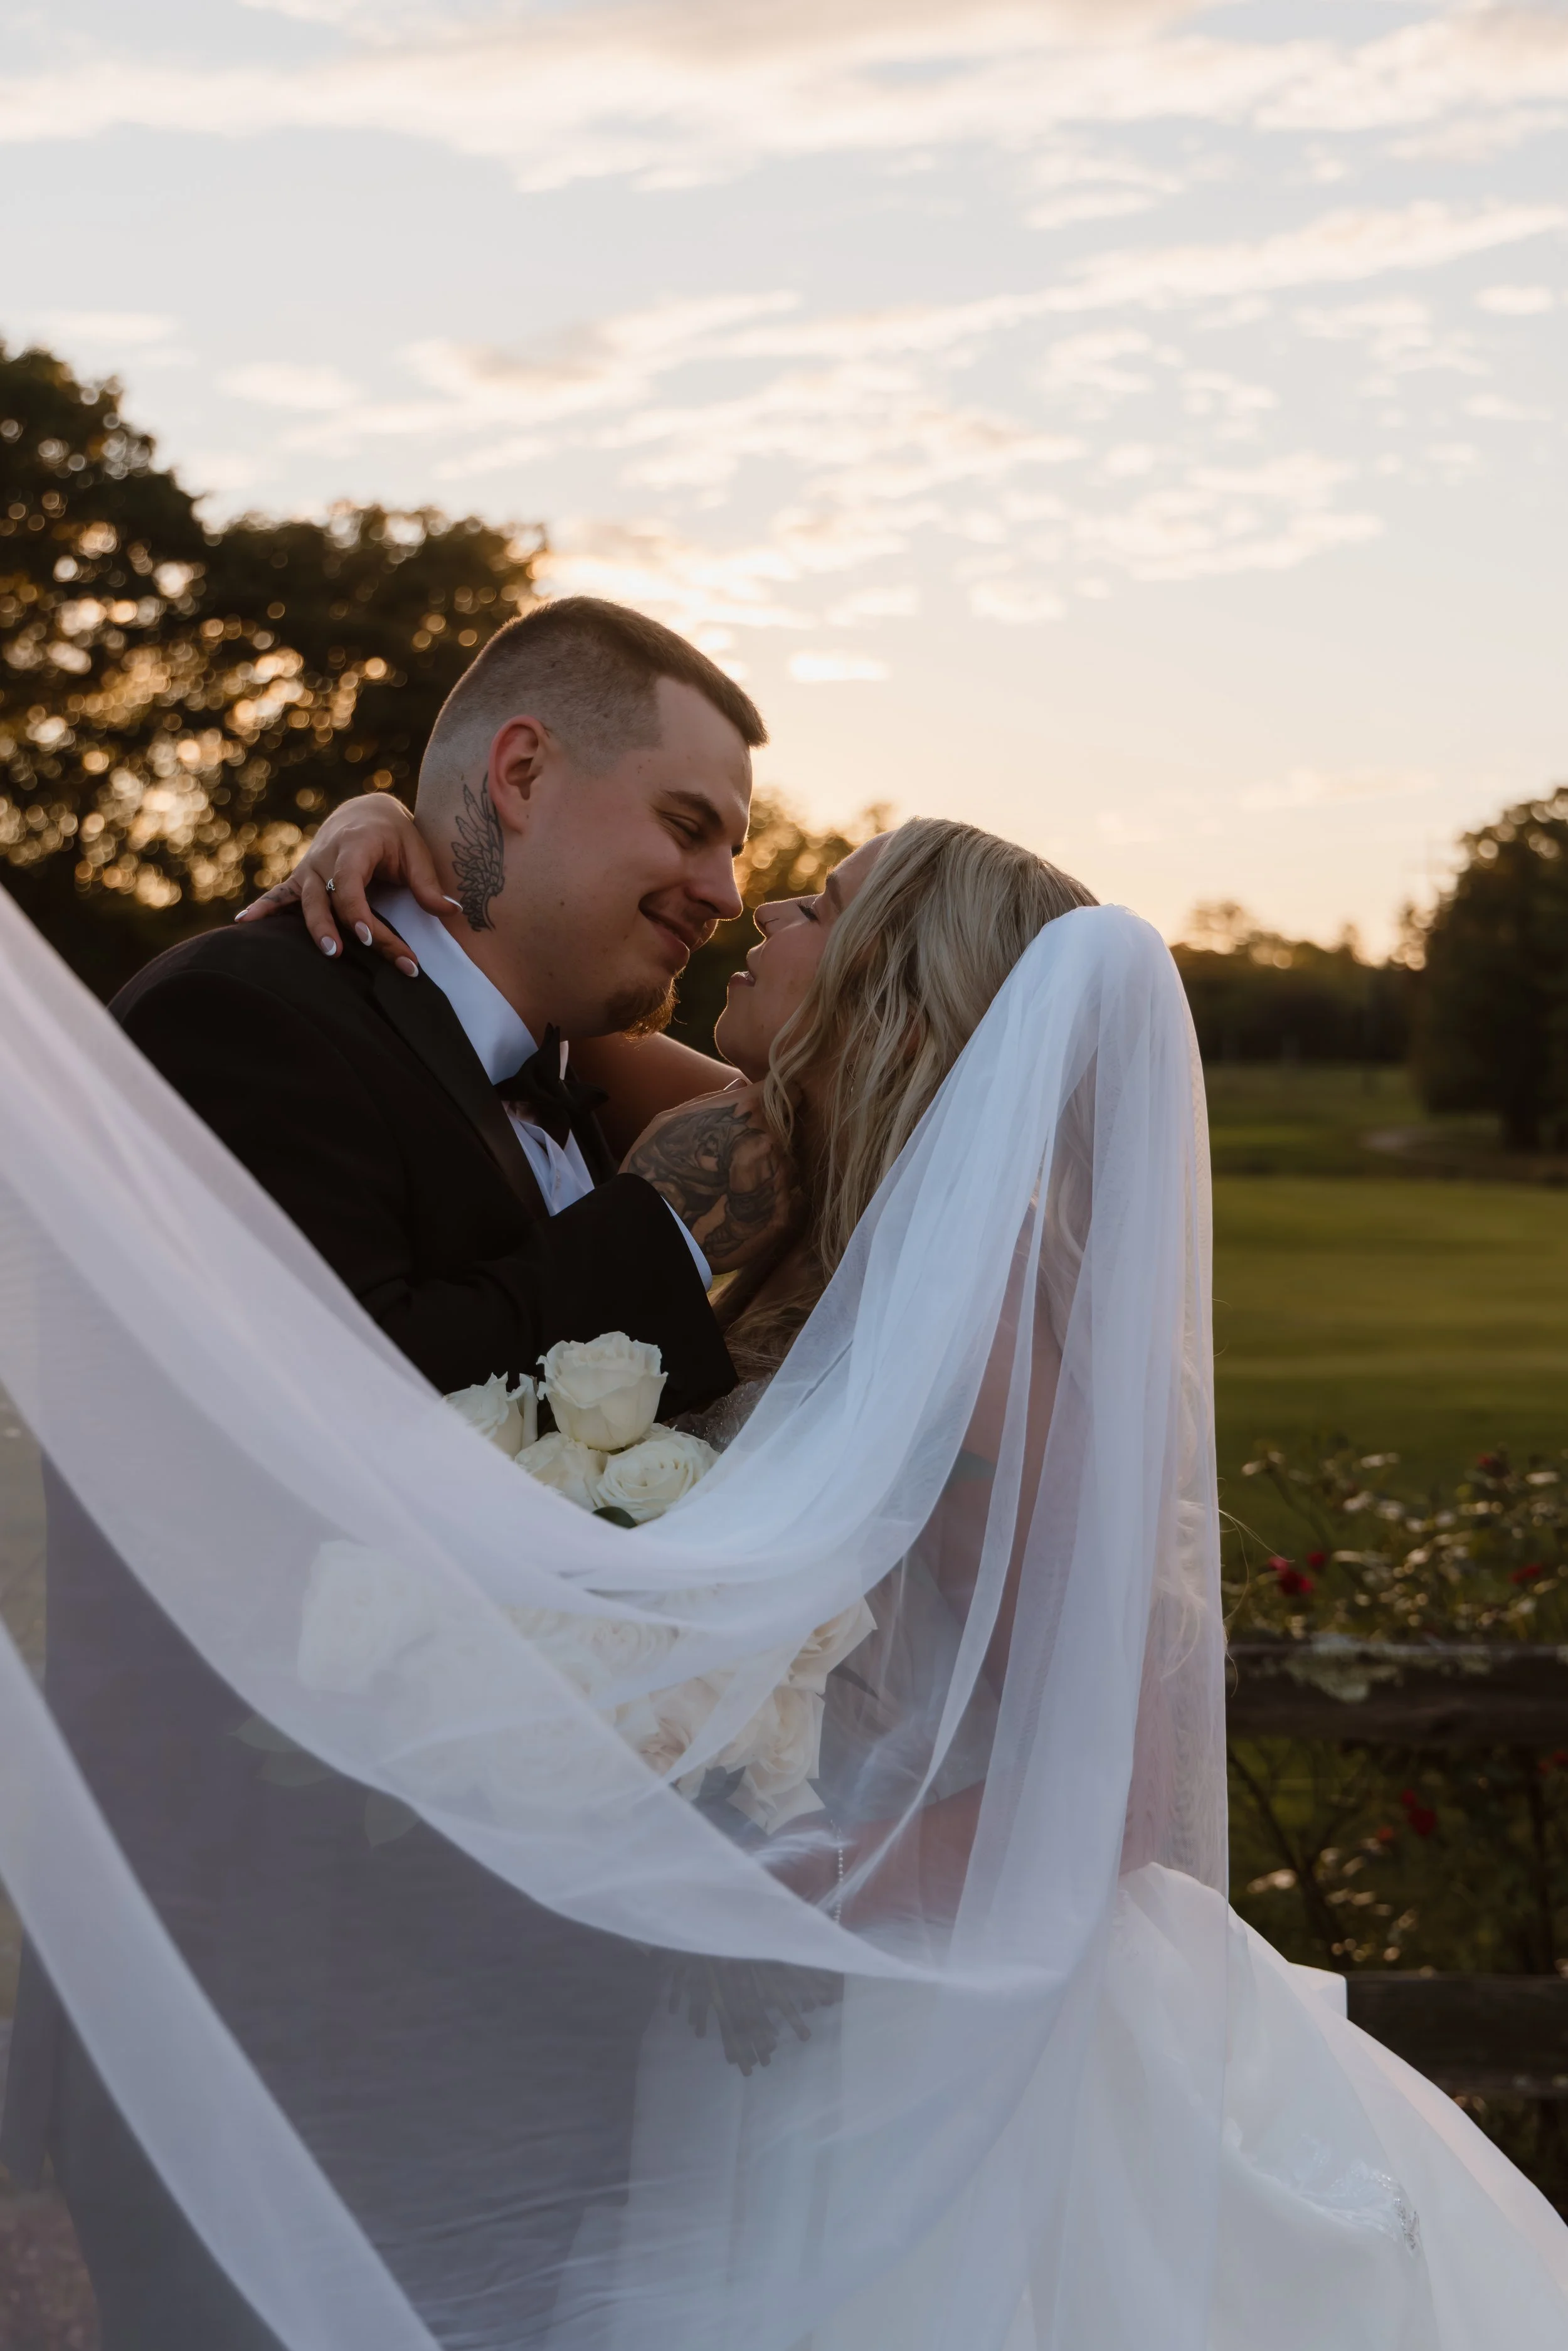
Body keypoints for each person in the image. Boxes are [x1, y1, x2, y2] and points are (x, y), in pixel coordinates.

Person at [4, 769, 1568, 2346]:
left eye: (818, 901)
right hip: (757, 2018)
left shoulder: (985, 1304)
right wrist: (398, 850)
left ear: (889, 988)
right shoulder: (824, 1171)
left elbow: (1129, 1753)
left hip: (904, 2012)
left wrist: (791, 1893)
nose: (760, 908)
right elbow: (527, 1006)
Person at [0, 595, 797, 2348]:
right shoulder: (248, 1014)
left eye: (739, 848)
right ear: (523, 768)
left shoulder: (561, 1080)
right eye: (689, 821)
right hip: (285, 1995)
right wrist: (664, 1237)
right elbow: (338, 1411)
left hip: (505, 1998)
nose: (723, 886)